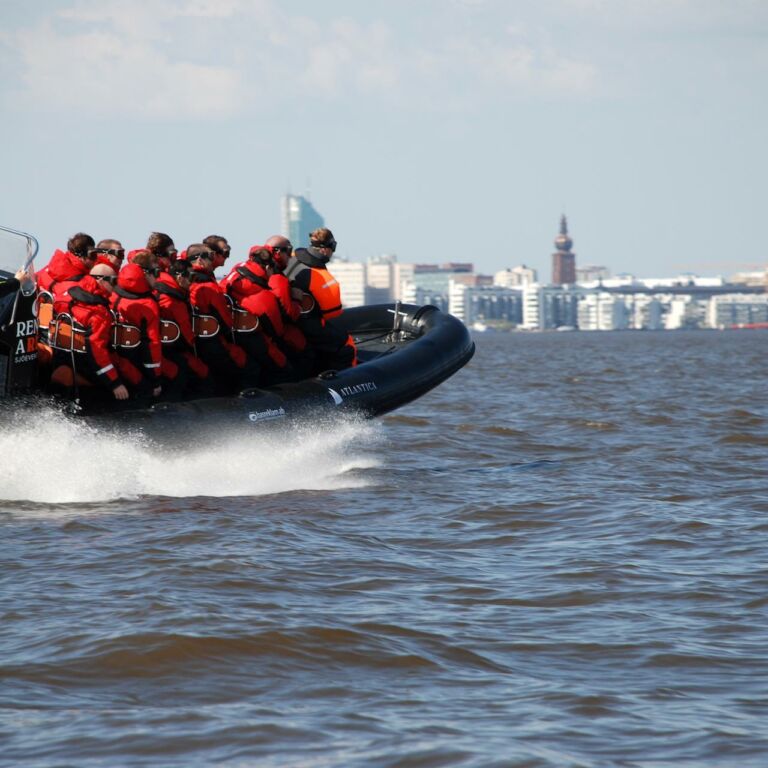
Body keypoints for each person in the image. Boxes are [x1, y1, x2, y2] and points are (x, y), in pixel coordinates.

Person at [49, 263, 129, 401]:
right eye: (114, 281)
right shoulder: (99, 312)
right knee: (127, 383)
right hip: (85, 364)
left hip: (62, 356)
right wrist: (115, 383)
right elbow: (97, 350)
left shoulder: (66, 295)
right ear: (100, 280)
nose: (116, 286)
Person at [284, 227, 357, 373]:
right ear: (326, 249)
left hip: (283, 321)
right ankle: (345, 383)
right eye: (333, 248)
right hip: (304, 323)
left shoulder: (289, 257)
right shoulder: (324, 279)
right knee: (346, 344)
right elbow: (332, 313)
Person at [221, 245, 296, 383]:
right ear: (268, 268)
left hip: (229, 337)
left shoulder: (234, 274)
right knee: (284, 368)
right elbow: (276, 331)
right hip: (251, 338)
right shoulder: (263, 297)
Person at [187, 243, 254, 393]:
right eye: (210, 256)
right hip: (213, 343)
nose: (213, 260)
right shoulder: (208, 287)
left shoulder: (186, 282)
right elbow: (226, 322)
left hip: (195, 345)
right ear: (199, 260)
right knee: (250, 367)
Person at [154, 259, 211, 399]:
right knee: (202, 373)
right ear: (180, 277)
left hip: (163, 349)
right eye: (191, 277)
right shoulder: (173, 301)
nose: (193, 282)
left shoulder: (162, 289)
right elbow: (187, 335)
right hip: (168, 350)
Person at [111, 250, 162, 399]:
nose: (158, 277)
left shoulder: (112, 293)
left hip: (111, 359)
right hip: (133, 362)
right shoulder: (148, 305)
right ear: (145, 273)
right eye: (156, 272)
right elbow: (152, 344)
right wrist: (155, 379)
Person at [39, 233, 96, 298]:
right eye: (93, 255)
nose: (96, 259)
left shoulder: (48, 269)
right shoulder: (84, 284)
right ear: (80, 256)